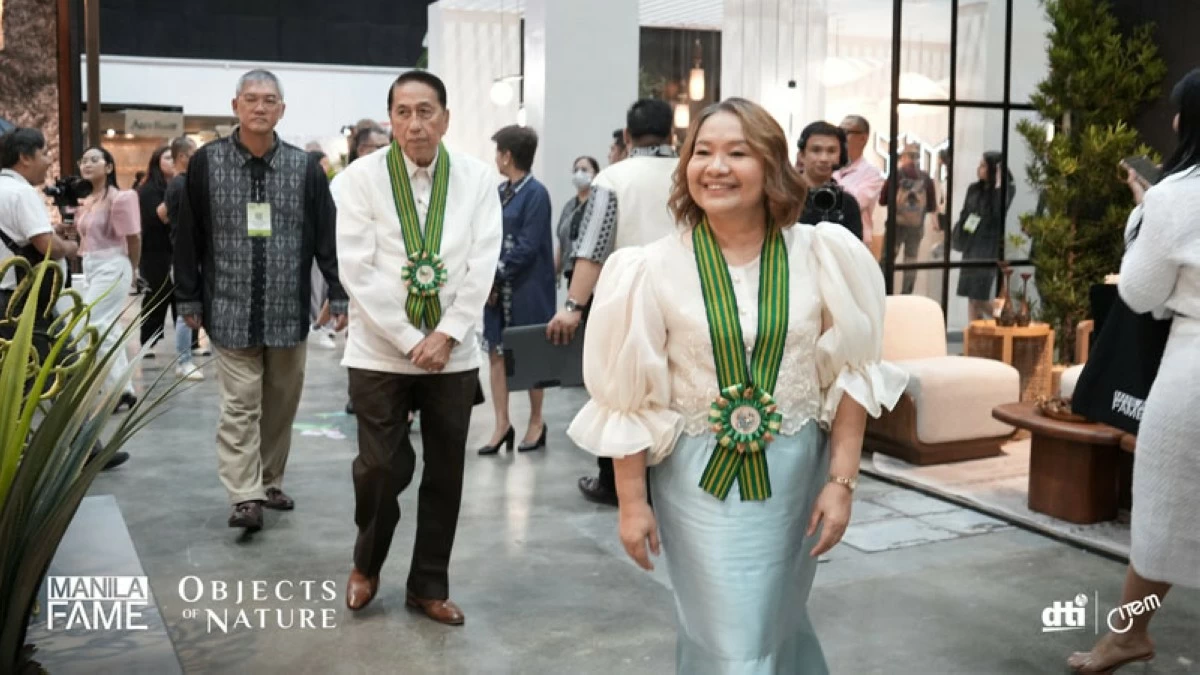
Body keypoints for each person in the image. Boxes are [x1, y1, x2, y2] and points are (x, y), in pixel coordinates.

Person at [567, 97, 906, 673]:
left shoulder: (823, 253)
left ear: (772, 164)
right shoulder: (650, 268)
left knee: (775, 617)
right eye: (702, 152)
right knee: (727, 634)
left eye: (737, 153)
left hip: (796, 473)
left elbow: (850, 375)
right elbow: (630, 393)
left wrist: (842, 484)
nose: (715, 167)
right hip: (696, 480)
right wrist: (631, 503)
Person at [336, 70, 501, 624]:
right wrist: (411, 339)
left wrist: (447, 333)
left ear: (446, 118)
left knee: (446, 472)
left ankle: (428, 583)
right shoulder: (360, 179)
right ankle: (367, 563)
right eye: (403, 112)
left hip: (453, 354)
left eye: (426, 111)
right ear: (390, 119)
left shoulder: (477, 179)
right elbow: (356, 270)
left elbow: (483, 263)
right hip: (380, 352)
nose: (415, 124)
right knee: (380, 466)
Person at [173, 69, 347, 532]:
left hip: (287, 309)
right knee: (239, 404)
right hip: (228, 306)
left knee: (281, 402)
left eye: (270, 100)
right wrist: (187, 297)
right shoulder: (206, 164)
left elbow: (326, 235)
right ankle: (243, 494)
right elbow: (188, 237)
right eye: (251, 99)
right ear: (235, 106)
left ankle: (270, 480)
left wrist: (337, 289)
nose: (260, 107)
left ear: (282, 110)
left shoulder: (306, 168)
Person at [1068, 68, 1200, 675]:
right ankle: (1126, 635)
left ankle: (1128, 634)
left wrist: (1145, 215)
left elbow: (1143, 294)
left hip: (1192, 373)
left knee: (1165, 515)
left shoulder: (1177, 196)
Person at [545, 99, 677, 507]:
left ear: (626, 136)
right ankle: (671, 481)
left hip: (625, 300)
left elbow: (593, 249)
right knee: (674, 390)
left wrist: (572, 304)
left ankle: (614, 482)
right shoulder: (690, 174)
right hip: (685, 295)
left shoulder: (612, 180)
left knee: (620, 391)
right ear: (672, 134)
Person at [0, 128, 129, 471]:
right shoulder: (21, 193)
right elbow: (47, 247)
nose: (48, 161)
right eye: (43, 154)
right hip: (27, 304)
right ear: (24, 157)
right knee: (67, 368)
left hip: (5, 299)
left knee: (17, 379)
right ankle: (83, 448)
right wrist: (70, 246)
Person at [479, 125, 555, 455]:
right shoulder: (499, 192)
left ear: (508, 155)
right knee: (497, 354)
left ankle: (536, 421)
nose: (496, 158)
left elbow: (527, 246)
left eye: (498, 151)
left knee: (530, 357)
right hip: (496, 289)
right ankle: (501, 424)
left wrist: (494, 275)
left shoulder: (536, 194)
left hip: (527, 288)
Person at [75, 146, 141, 409]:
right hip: (91, 266)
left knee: (93, 324)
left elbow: (134, 238)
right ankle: (123, 388)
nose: (87, 164)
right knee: (108, 327)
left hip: (113, 264)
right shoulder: (86, 201)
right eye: (84, 160)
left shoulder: (120, 198)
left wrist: (133, 270)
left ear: (109, 167)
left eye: (94, 160)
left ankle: (116, 389)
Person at [330, 124, 390, 416]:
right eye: (375, 147)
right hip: (357, 273)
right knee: (358, 336)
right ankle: (359, 394)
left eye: (385, 146)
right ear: (359, 149)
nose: (382, 153)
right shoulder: (344, 182)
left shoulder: (397, 180)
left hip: (393, 277)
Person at [952, 151, 1015, 323]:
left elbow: (998, 212)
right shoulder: (974, 188)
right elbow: (965, 213)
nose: (979, 169)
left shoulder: (1005, 190)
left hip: (988, 247)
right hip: (971, 244)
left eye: (983, 165)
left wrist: (999, 184)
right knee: (971, 297)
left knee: (979, 297)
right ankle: (973, 338)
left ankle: (1005, 317)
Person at [161, 136, 204, 381]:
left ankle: (186, 358)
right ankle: (183, 361)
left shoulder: (177, 185)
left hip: (183, 254)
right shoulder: (182, 185)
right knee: (184, 311)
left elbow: (162, 213)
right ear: (182, 157)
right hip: (184, 256)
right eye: (193, 153)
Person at [880, 143, 937, 294]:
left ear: (904, 157)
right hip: (916, 227)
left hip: (895, 226)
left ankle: (886, 293)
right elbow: (931, 206)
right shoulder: (925, 178)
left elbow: (882, 200)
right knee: (911, 261)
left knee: (887, 260)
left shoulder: (896, 175)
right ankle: (906, 294)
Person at [796, 121, 864, 240]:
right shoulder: (783, 197)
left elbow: (854, 251)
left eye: (831, 151)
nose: (824, 158)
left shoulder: (847, 203)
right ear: (801, 155)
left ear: (840, 156)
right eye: (816, 150)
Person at [137, 145, 175, 352]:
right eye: (167, 157)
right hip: (155, 250)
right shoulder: (148, 189)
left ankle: (189, 342)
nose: (172, 161)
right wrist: (176, 191)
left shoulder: (184, 185)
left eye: (174, 157)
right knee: (156, 295)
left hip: (178, 248)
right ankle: (148, 341)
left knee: (183, 295)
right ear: (157, 162)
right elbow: (159, 217)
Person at [836, 115, 885, 253]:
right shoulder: (829, 168)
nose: (839, 137)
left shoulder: (871, 174)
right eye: (838, 132)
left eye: (845, 132)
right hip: (827, 239)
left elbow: (853, 203)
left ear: (863, 138)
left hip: (855, 243)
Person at [556, 155, 599, 283]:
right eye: (576, 170)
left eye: (584, 170)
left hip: (593, 271)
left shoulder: (599, 204)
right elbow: (562, 241)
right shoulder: (569, 206)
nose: (579, 173)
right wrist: (555, 270)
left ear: (596, 174)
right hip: (572, 271)